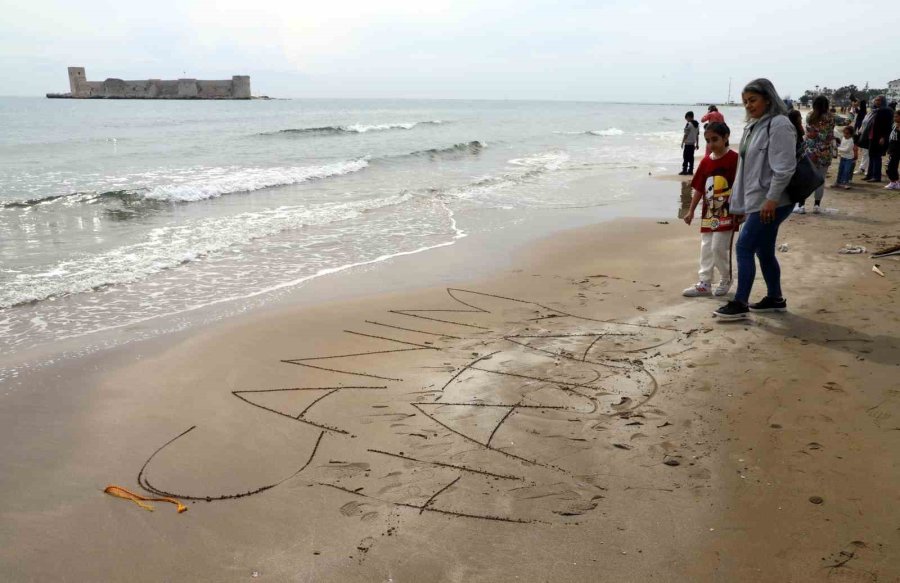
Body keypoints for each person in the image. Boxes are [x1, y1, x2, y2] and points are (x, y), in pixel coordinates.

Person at [714, 78, 797, 321]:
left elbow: (784, 168)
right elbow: (745, 169)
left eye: (753, 100)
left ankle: (740, 303)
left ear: (768, 100)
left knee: (744, 246)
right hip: (757, 200)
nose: (748, 106)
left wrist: (771, 199)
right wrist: (739, 204)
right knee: (763, 250)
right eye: (745, 102)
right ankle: (775, 299)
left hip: (773, 201)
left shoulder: (779, 124)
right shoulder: (753, 126)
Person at [682, 122, 740, 298]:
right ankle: (705, 282)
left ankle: (726, 278)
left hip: (727, 213)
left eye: (715, 139)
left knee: (718, 247)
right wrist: (691, 210)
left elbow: (742, 186)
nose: (711, 144)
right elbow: (699, 189)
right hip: (708, 214)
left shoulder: (735, 160)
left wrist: (742, 210)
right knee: (706, 247)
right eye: (707, 141)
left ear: (726, 137)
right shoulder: (706, 162)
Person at [797, 95, 834, 213]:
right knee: (821, 179)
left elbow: (809, 133)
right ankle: (816, 206)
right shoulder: (830, 117)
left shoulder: (809, 116)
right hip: (825, 152)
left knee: (806, 178)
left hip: (811, 151)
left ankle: (801, 206)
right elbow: (829, 135)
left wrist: (814, 134)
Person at [864, 95, 895, 183]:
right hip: (871, 136)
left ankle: (876, 176)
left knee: (877, 156)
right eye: (876, 100)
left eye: (879, 100)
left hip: (879, 137)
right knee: (871, 156)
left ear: (883, 101)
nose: (877, 102)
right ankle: (869, 175)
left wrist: (883, 137)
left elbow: (888, 126)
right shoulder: (874, 110)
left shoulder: (887, 111)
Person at [834, 125, 858, 190]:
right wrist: (839, 149)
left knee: (846, 171)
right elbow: (842, 146)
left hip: (849, 159)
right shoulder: (843, 138)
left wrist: (838, 148)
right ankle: (838, 182)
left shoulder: (851, 141)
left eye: (847, 133)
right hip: (843, 157)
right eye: (844, 133)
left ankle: (846, 183)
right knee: (840, 170)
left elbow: (846, 149)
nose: (845, 135)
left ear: (851, 134)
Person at [855, 99, 871, 174]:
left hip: (868, 136)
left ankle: (866, 169)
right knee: (864, 153)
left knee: (867, 153)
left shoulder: (866, 113)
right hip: (863, 135)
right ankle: (862, 168)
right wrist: (860, 132)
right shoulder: (868, 114)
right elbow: (863, 125)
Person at [885, 109, 900, 190]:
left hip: (897, 148)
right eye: (894, 117)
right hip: (892, 148)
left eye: (896, 117)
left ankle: (894, 182)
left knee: (890, 166)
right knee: (891, 166)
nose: (895, 118)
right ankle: (895, 182)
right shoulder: (894, 124)